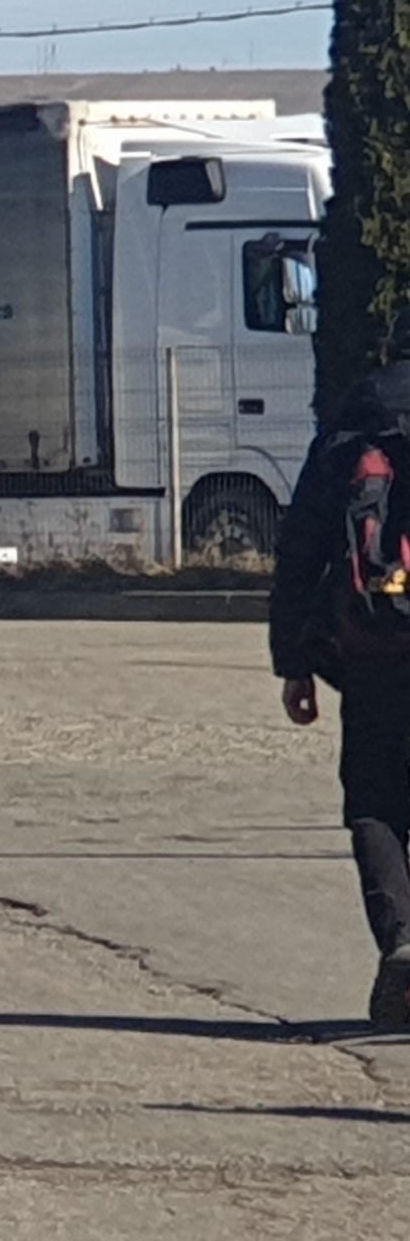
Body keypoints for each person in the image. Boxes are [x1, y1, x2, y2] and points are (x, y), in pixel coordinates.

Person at [272, 321, 410, 1029]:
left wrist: (293, 662)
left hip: (376, 652)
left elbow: (299, 549)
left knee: (376, 802)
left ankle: (403, 942)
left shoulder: (351, 426)